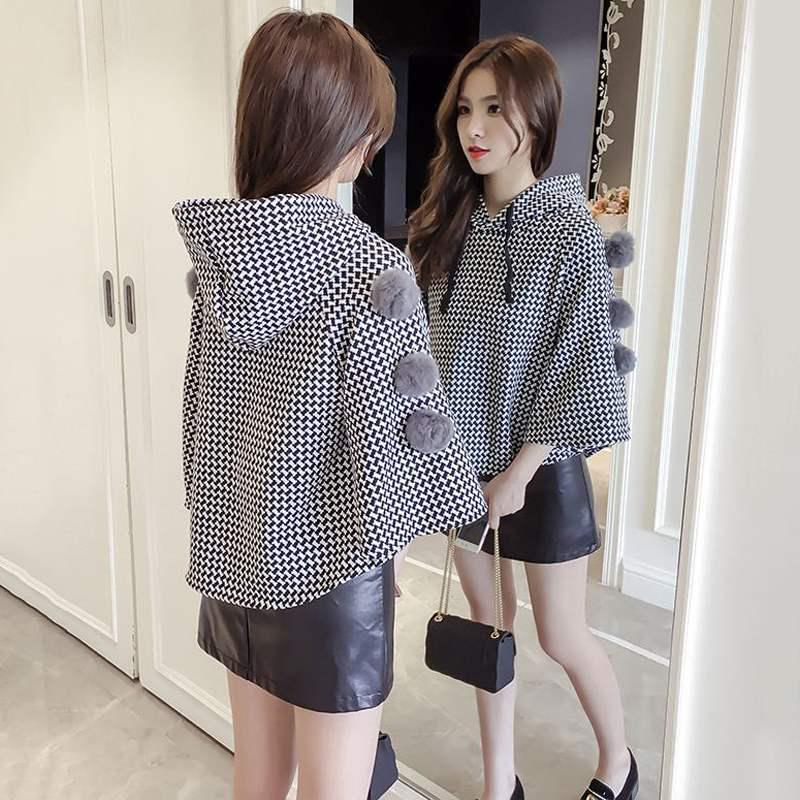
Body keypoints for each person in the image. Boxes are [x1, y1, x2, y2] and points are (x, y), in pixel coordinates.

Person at [173, 12, 486, 800]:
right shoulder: (370, 270)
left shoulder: (221, 264)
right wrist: (395, 557)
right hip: (334, 572)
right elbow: (399, 443)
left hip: (238, 558)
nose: (371, 149)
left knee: (258, 775)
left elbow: (201, 422)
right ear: (345, 136)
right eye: (368, 132)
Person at [407, 35, 638, 800]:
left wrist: (517, 475)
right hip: (464, 465)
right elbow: (432, 356)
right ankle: (499, 783)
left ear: (534, 116)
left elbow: (579, 365)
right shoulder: (448, 223)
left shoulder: (568, 228)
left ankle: (619, 763)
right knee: (487, 623)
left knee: (561, 633)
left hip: (542, 465)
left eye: (494, 109)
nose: (473, 128)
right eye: (464, 110)